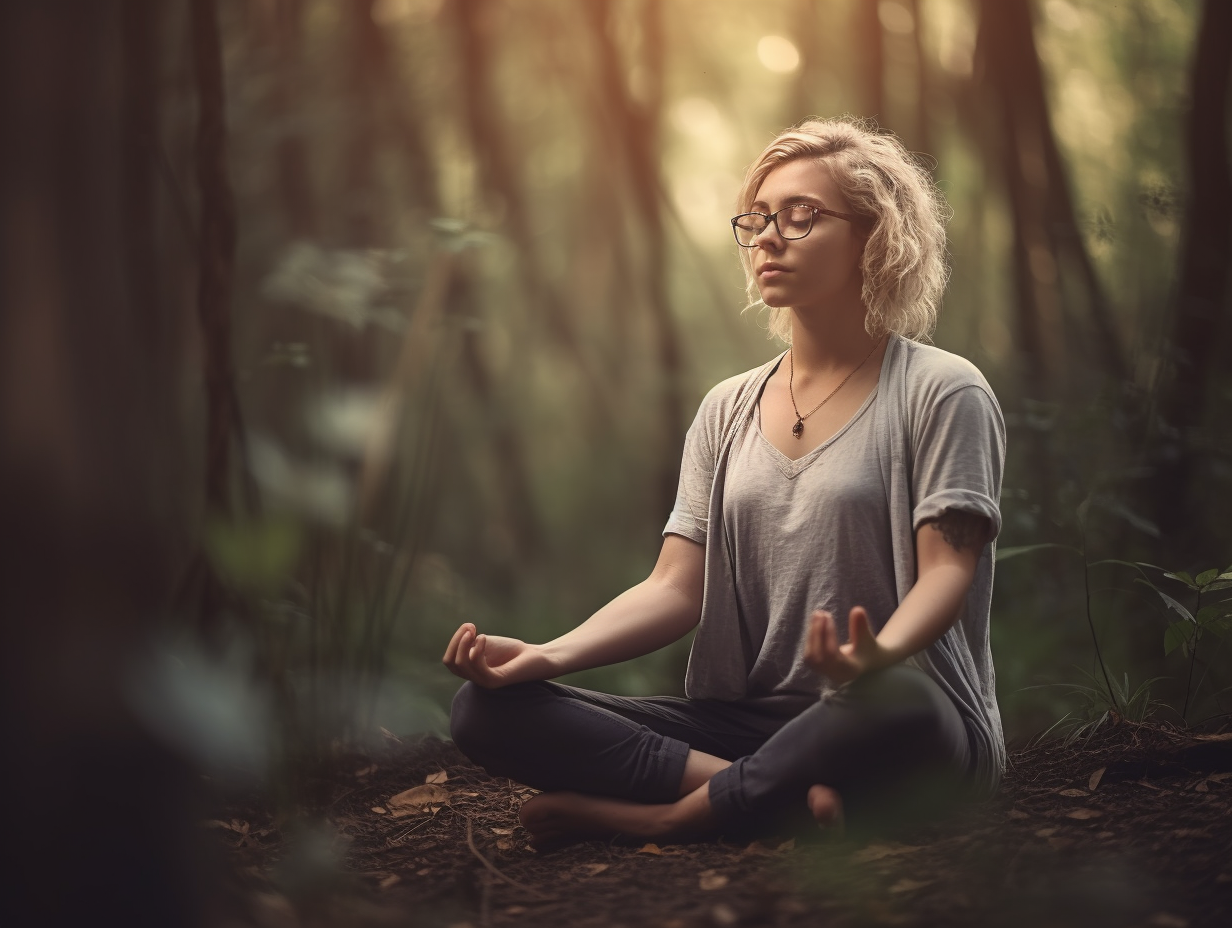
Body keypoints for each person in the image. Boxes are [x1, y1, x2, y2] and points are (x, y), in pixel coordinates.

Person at [443, 117, 1005, 848]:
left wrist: (879, 656)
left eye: (802, 216)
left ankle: (673, 817)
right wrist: (549, 655)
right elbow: (675, 587)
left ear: (876, 235)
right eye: (759, 218)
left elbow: (947, 572)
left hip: (889, 713)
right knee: (485, 711)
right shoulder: (726, 408)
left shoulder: (942, 390)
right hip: (742, 725)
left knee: (899, 704)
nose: (769, 236)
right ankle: (782, 798)